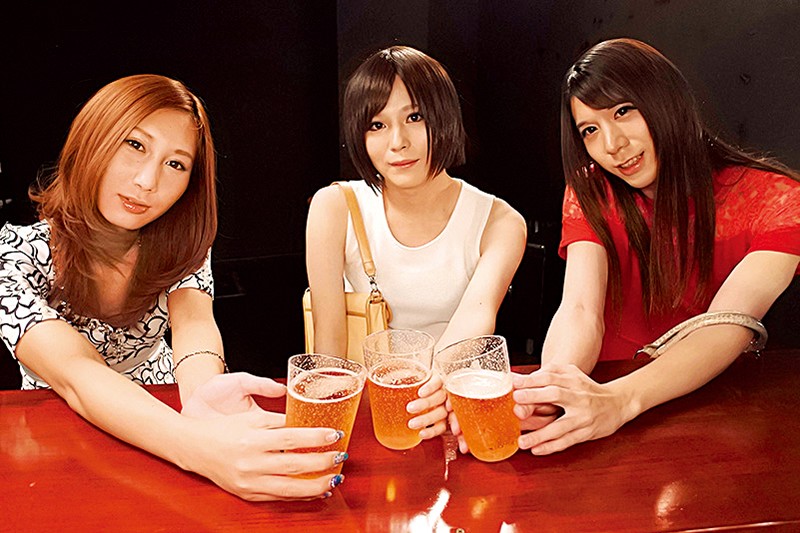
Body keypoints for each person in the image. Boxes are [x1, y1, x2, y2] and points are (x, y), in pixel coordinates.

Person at [0, 74, 349, 501]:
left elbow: (194, 325)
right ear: (91, 139)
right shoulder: (13, 255)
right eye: (135, 145)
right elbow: (78, 375)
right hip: (59, 421)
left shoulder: (179, 242)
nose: (148, 181)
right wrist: (199, 448)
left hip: (165, 399)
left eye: (176, 164)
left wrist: (203, 396)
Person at [507, 38, 800, 455]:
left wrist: (621, 401)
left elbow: (729, 324)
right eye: (590, 130)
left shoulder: (778, 200)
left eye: (623, 111)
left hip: (707, 408)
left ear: (667, 100)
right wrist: (555, 389)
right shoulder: (592, 190)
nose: (612, 145)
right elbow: (580, 309)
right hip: (601, 399)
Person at [305, 45, 527, 440]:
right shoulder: (333, 207)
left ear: (444, 116)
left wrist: (425, 399)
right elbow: (329, 345)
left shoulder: (500, 222)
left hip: (454, 406)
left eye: (414, 117)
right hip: (371, 413)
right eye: (376, 125)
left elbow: (476, 320)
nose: (397, 142)